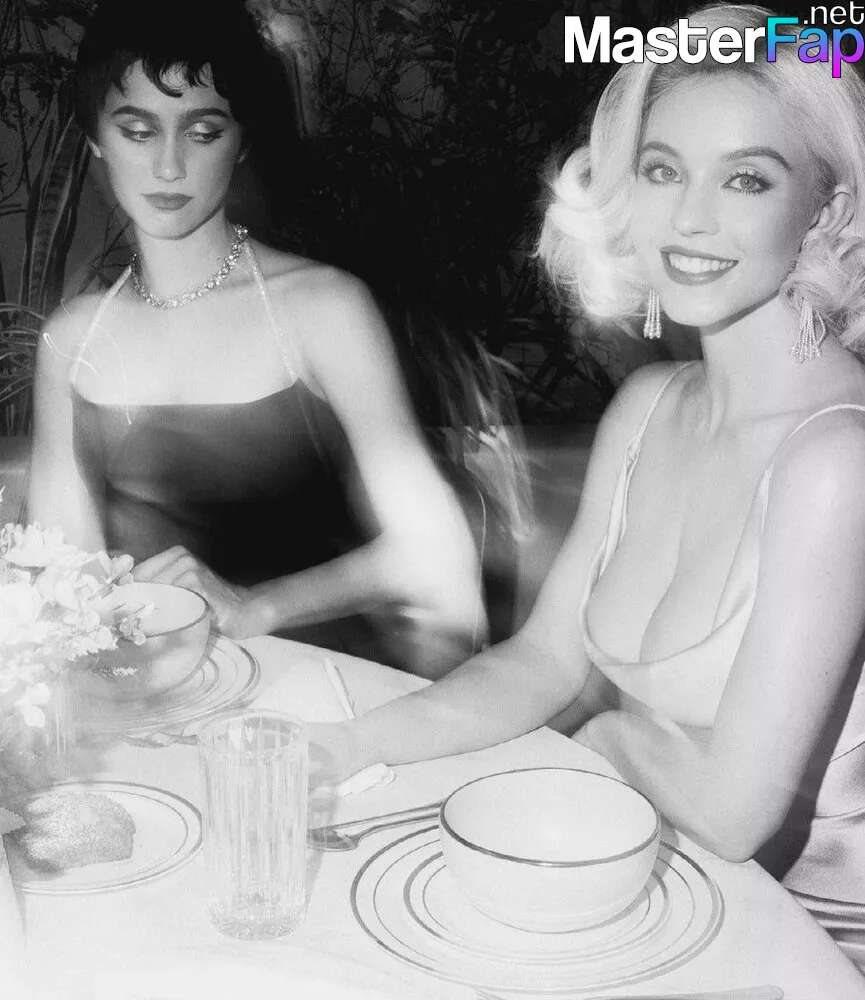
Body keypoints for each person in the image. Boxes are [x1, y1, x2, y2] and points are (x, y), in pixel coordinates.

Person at [311, 4, 865, 968]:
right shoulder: (647, 409)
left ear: (823, 211)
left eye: (745, 178)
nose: (689, 218)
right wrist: (345, 745)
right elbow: (541, 662)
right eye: (661, 170)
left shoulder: (836, 461)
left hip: (816, 937)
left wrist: (602, 737)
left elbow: (732, 814)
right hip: (660, 876)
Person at [27, 0, 484, 678]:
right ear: (95, 137)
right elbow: (65, 582)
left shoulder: (323, 308)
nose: (170, 166)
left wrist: (257, 604)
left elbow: (436, 549)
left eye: (203, 131)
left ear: (242, 140)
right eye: (138, 130)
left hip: (323, 690)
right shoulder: (71, 340)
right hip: (159, 695)